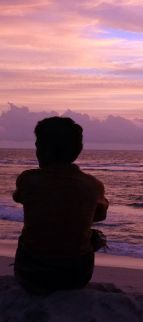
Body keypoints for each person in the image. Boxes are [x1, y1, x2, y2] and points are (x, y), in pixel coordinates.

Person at [12, 116, 109, 294]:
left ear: (39, 149)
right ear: (78, 150)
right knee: (96, 236)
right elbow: (100, 216)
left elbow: (18, 197)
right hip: (76, 277)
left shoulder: (27, 179)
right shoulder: (93, 185)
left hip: (29, 273)